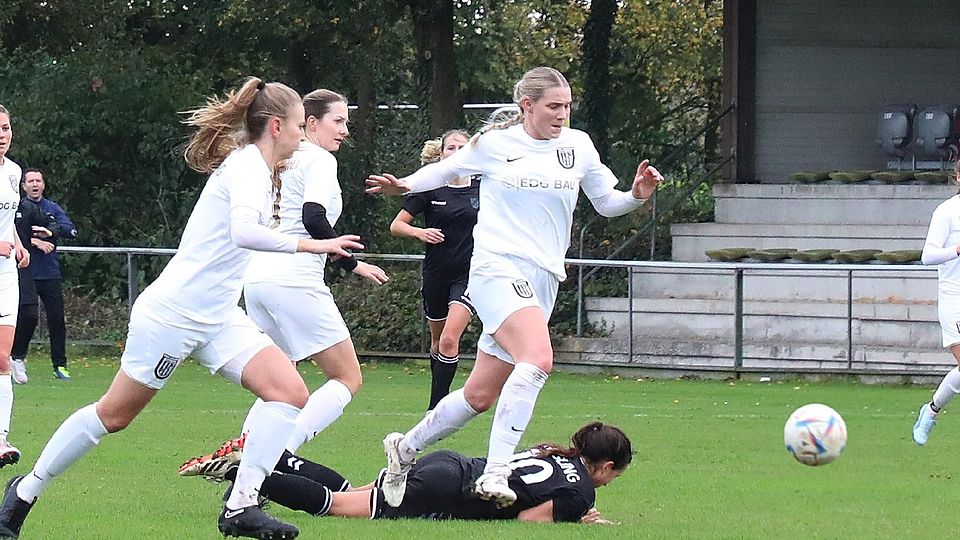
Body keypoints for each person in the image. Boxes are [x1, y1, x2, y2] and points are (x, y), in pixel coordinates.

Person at [0, 77, 363, 540]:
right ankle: (24, 492)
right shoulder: (249, 166)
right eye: (297, 126)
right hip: (174, 316)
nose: (301, 136)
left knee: (289, 393)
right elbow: (243, 233)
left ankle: (241, 506)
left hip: (219, 317)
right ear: (276, 126)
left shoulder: (262, 164)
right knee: (114, 416)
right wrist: (313, 244)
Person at [366, 66, 662, 508]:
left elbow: (606, 203)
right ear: (528, 105)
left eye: (566, 106)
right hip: (496, 269)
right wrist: (404, 184)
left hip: (543, 280)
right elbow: (445, 170)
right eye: (553, 106)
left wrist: (637, 195)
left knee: (478, 396)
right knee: (538, 359)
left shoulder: (577, 146)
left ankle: (404, 449)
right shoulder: (496, 144)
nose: (562, 114)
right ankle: (496, 472)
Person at [239, 88, 388, 457]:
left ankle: (242, 450)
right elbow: (312, 217)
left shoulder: (274, 158)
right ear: (310, 123)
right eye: (338, 121)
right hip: (294, 280)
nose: (345, 130)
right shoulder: (319, 160)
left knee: (280, 382)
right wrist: (351, 261)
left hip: (257, 280)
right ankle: (278, 451)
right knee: (347, 377)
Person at [389, 129, 478, 410]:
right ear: (441, 155)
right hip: (436, 274)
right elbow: (396, 225)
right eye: (450, 148)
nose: (456, 152)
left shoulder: (485, 186)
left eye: (462, 147)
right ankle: (437, 396)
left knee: (451, 339)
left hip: (471, 275)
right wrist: (420, 233)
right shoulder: (431, 187)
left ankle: (436, 409)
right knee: (439, 342)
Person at [11, 168, 77, 381]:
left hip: (49, 273)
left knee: (57, 320)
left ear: (43, 184)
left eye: (38, 180)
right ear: (23, 186)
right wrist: (34, 241)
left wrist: (51, 232)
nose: (34, 184)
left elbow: (71, 230)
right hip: (23, 272)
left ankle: (60, 365)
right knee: (24, 317)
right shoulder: (16, 207)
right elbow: (10, 232)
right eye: (30, 181)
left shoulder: (51, 209)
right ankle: (15, 356)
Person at [913, 159, 960, 445]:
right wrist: (956, 249)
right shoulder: (947, 212)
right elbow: (927, 256)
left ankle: (930, 410)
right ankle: (930, 414)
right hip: (955, 298)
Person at [0, 104, 30, 469]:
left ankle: (1, 439)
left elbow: (6, 220)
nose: (1, 135)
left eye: (5, 128)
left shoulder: (14, 172)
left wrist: (18, 243)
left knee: (2, 357)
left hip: (5, 274)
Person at [11, 194, 61, 385]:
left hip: (20, 267)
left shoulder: (26, 208)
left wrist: (48, 232)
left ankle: (16, 356)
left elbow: (53, 224)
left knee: (30, 314)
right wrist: (33, 242)